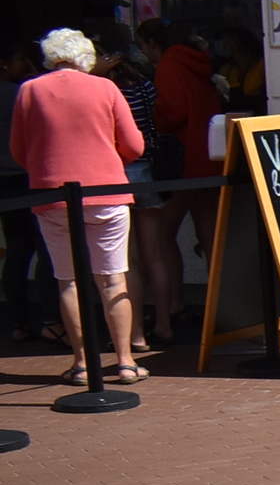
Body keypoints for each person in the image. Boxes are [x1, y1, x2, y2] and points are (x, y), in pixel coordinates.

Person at [10, 28, 147, 384]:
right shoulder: (105, 87)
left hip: (52, 194)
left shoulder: (30, 90)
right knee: (113, 279)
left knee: (67, 280)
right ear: (86, 56)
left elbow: (18, 151)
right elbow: (134, 145)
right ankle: (126, 361)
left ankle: (83, 363)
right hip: (106, 190)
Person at [140, 19, 221, 344]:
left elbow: (172, 111)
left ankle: (174, 306)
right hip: (210, 157)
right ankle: (223, 309)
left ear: (150, 43)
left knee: (161, 235)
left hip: (184, 159)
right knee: (211, 235)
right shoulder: (196, 62)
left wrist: (155, 118)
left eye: (143, 46)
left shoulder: (168, 65)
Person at [92, 26, 165, 352]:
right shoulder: (143, 84)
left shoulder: (102, 89)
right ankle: (164, 324)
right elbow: (155, 119)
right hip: (147, 168)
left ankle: (135, 334)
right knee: (155, 255)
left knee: (129, 261)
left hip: (119, 169)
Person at [1, 41, 51, 343]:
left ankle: (20, 322)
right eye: (20, 58)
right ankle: (51, 319)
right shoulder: (20, 93)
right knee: (45, 248)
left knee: (17, 249)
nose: (25, 63)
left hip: (4, 183)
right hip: (27, 176)